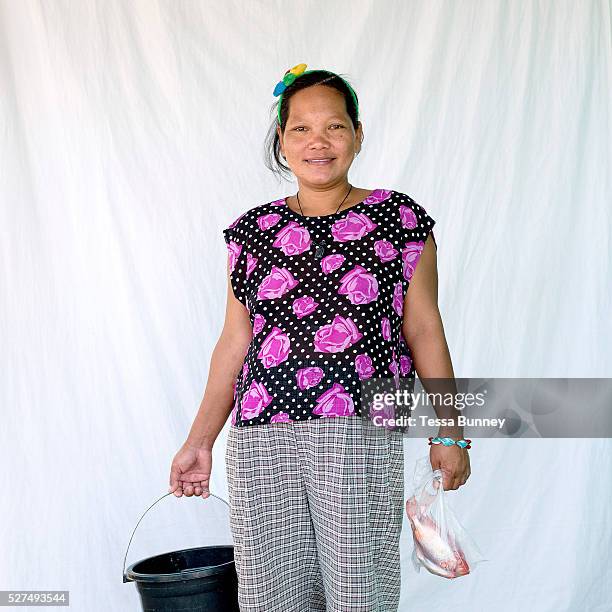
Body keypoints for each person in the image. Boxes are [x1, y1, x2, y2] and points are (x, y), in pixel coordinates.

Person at [169, 64, 470, 611]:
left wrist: (449, 432)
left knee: (359, 592)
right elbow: (234, 344)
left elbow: (424, 327)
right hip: (262, 438)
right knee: (272, 596)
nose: (318, 142)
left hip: (356, 432)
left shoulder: (399, 219)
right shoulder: (251, 232)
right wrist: (199, 441)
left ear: (357, 134)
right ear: (282, 142)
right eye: (300, 129)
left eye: (334, 126)